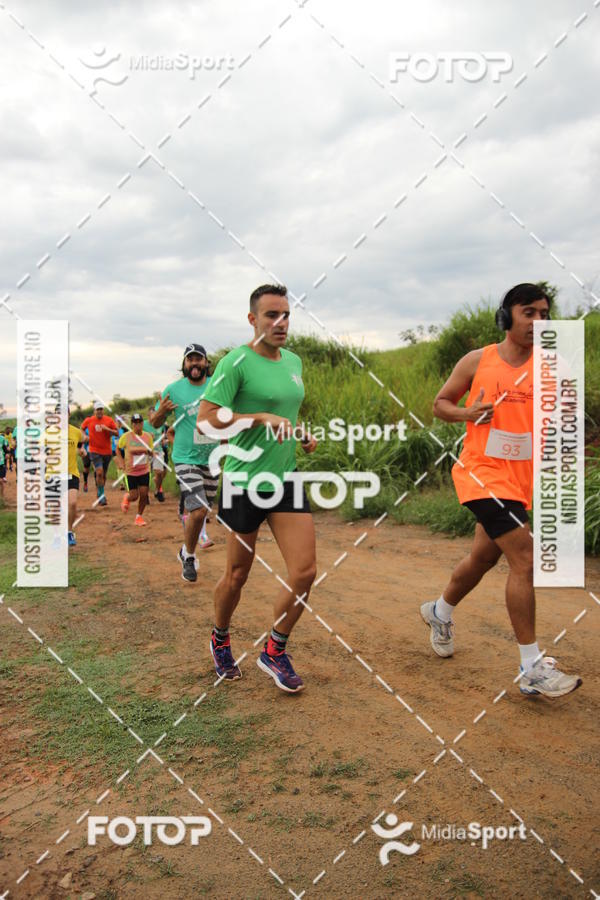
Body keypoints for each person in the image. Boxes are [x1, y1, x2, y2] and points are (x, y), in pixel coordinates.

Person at [421, 283, 582, 699]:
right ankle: (531, 667)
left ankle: (439, 612)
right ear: (505, 316)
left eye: (545, 313)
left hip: (520, 480)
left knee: (482, 557)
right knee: (525, 557)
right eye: (529, 312)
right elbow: (440, 404)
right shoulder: (479, 360)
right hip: (481, 472)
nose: (539, 321)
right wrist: (467, 412)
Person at [198, 284, 318, 693]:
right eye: (271, 315)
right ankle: (220, 637)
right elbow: (207, 422)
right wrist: (260, 417)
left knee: (304, 572)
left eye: (286, 314)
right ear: (253, 319)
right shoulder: (236, 362)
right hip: (242, 481)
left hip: (283, 479)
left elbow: (284, 410)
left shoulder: (294, 361)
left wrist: (298, 432)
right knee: (236, 575)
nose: (280, 322)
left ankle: (274, 650)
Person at [151, 344, 219, 581]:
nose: (194, 364)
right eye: (190, 360)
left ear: (206, 363)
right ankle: (190, 556)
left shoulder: (218, 383)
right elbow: (155, 420)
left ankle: (184, 550)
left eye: (198, 359)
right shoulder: (173, 389)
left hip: (212, 458)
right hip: (185, 458)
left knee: (201, 512)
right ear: (184, 364)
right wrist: (163, 412)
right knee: (198, 510)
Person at [80, 401, 119, 506]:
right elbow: (82, 429)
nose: (100, 411)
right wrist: (84, 436)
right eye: (98, 409)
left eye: (101, 409)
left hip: (107, 451)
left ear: (103, 410)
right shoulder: (89, 420)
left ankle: (100, 491)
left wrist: (107, 429)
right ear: (94, 411)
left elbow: (117, 432)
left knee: (104, 475)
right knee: (99, 472)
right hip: (94, 450)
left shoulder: (109, 420)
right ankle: (102, 496)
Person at [118, 413, 153, 526]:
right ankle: (126, 497)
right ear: (132, 424)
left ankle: (139, 516)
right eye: (135, 423)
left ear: (142, 423)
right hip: (131, 471)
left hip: (144, 470)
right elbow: (118, 449)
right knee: (134, 496)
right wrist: (121, 462)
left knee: (144, 494)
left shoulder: (148, 436)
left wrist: (152, 454)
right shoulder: (126, 436)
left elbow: (150, 451)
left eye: (139, 423)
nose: (137, 425)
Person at [143, 407, 167, 502]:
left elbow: (162, 436)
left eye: (155, 414)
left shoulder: (160, 425)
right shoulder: (143, 424)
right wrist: (147, 437)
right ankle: (145, 495)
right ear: (148, 415)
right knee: (145, 475)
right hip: (145, 452)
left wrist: (163, 441)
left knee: (159, 473)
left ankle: (157, 490)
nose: (153, 416)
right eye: (151, 414)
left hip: (158, 451)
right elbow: (137, 436)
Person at [67, 418, 84, 546]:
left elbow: (80, 445)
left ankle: (69, 531)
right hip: (53, 475)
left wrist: (82, 451)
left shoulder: (76, 432)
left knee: (72, 503)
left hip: (71, 473)